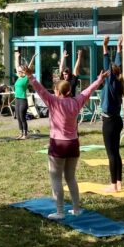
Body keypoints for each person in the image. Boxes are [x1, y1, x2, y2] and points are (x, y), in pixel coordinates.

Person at [23, 64, 107, 219]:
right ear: (69, 91)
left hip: (58, 145)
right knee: (71, 177)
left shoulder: (53, 102)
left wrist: (30, 75)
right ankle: (76, 209)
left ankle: (60, 212)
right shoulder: (76, 102)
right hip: (73, 144)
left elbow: (40, 90)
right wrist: (99, 80)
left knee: (56, 177)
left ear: (57, 91)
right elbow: (88, 91)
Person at [100, 36, 124, 192]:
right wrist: (118, 48)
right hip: (117, 120)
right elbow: (117, 65)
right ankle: (119, 182)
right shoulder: (118, 81)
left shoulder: (110, 82)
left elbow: (108, 63)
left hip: (109, 122)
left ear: (109, 74)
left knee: (111, 154)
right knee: (116, 152)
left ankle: (113, 185)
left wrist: (105, 46)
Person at [13, 50, 36, 140]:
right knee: (18, 117)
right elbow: (16, 66)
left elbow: (29, 67)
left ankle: (25, 134)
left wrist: (33, 58)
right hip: (17, 99)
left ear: (23, 71)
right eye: (18, 71)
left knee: (22, 117)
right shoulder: (18, 78)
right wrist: (17, 57)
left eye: (20, 71)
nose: (18, 72)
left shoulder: (26, 78)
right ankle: (21, 133)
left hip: (23, 100)